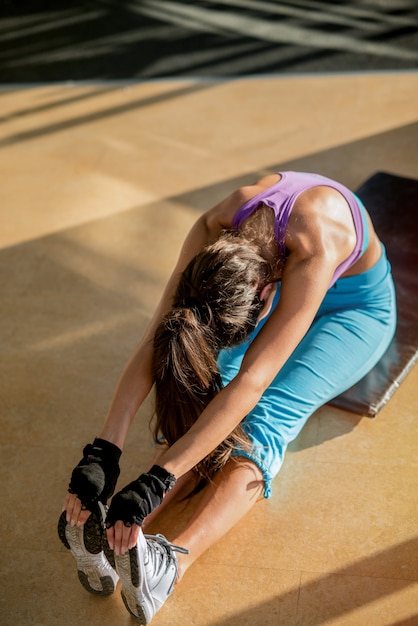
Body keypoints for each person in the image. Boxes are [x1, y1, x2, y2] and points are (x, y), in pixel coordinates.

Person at [59, 171, 396, 624]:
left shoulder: (316, 246)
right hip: (275, 280)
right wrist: (105, 451)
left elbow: (252, 384)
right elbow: (154, 340)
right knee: (207, 386)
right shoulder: (216, 225)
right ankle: (119, 531)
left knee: (266, 418)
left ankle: (169, 565)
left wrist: (162, 475)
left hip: (352, 311)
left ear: (264, 293)